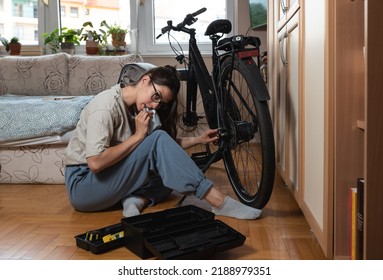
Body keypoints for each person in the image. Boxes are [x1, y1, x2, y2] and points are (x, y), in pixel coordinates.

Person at [64, 65, 261, 220]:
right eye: (155, 96)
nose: (155, 105)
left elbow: (162, 149)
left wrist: (199, 139)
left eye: (161, 103)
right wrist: (137, 137)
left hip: (110, 178)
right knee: (162, 150)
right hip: (84, 186)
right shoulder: (105, 106)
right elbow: (95, 163)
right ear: (145, 80)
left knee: (171, 168)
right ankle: (218, 202)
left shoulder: (138, 108)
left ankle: (137, 199)